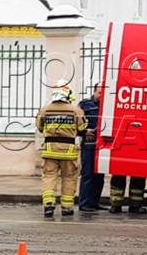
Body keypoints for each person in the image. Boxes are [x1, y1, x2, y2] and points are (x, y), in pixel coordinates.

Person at [36, 85, 85, 217]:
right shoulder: (75, 110)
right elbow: (82, 128)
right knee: (69, 178)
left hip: (49, 150)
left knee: (49, 177)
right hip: (68, 152)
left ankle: (48, 205)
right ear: (68, 95)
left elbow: (39, 127)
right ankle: (67, 207)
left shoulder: (45, 109)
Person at [76, 83, 104, 212]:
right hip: (89, 144)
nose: (101, 95)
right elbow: (75, 122)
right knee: (88, 174)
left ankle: (94, 202)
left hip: (103, 144)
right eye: (99, 92)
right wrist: (83, 131)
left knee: (99, 175)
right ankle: (85, 203)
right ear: (94, 92)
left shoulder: (108, 105)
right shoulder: (84, 105)